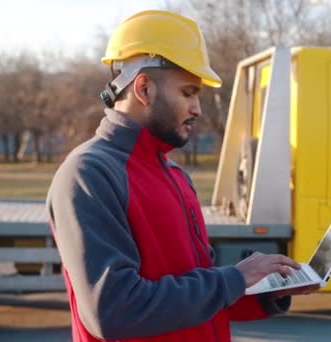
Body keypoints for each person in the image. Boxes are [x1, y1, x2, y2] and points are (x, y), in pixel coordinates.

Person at [46, 10, 316, 342]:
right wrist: (232, 279)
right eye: (188, 92)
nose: (197, 109)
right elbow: (113, 310)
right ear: (144, 88)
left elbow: (198, 295)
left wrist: (264, 288)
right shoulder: (88, 174)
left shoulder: (175, 177)